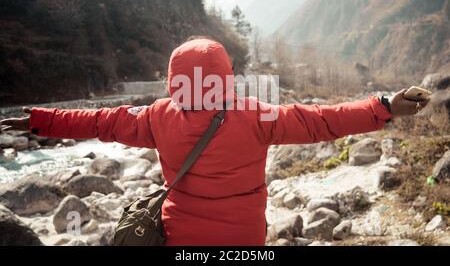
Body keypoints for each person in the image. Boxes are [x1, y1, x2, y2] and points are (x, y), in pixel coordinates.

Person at [0, 37, 429, 246]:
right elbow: (322, 121)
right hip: (242, 239)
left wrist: (41, 120)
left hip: (180, 237)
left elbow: (98, 123)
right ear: (226, 76)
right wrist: (385, 105)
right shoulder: (259, 115)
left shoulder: (156, 116)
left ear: (173, 79)